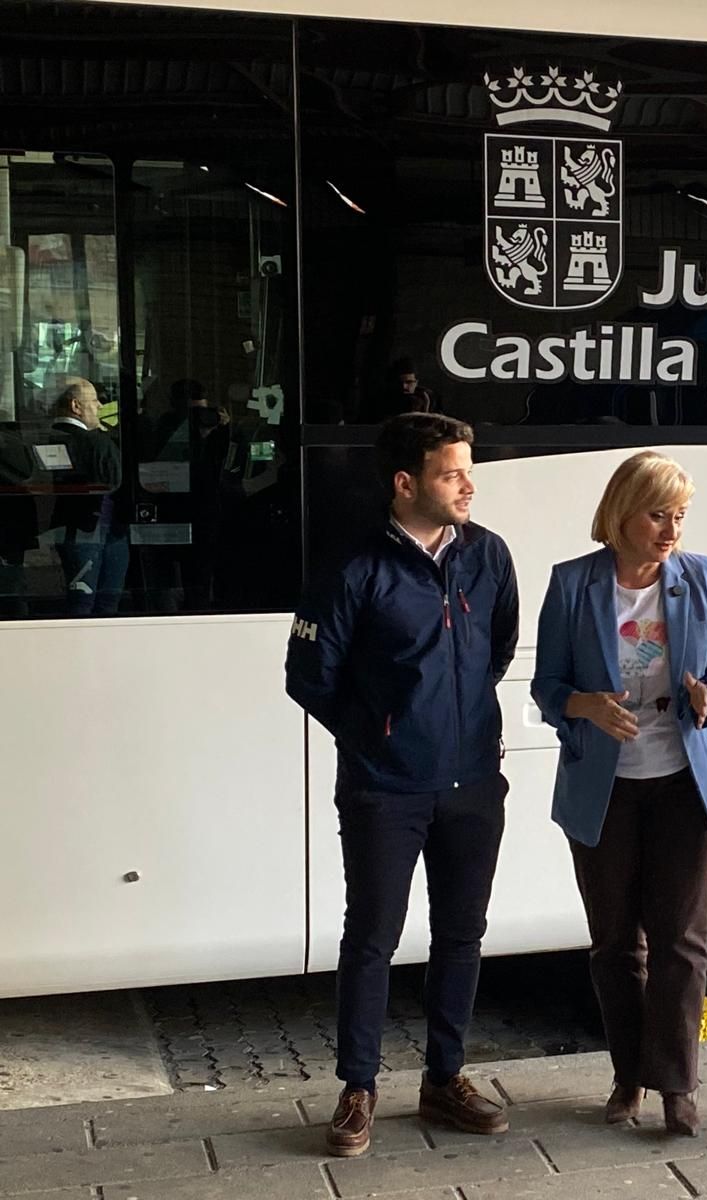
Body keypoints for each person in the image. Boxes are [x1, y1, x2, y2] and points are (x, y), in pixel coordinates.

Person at [284, 412, 520, 1157]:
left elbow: (498, 647)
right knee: (372, 938)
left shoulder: (489, 556)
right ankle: (358, 1087)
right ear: (405, 481)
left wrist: (462, 729)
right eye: (452, 473)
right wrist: (381, 738)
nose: (467, 485)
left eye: (467, 470)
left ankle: (446, 1079)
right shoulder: (354, 566)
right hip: (386, 790)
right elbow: (308, 676)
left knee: (461, 934)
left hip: (474, 782)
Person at [531, 451, 707, 1138]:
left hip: (687, 782)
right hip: (606, 789)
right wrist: (585, 706)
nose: (671, 530)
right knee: (615, 943)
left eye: (680, 516)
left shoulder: (702, 578)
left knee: (682, 940)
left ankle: (678, 1085)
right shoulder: (572, 585)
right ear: (621, 512)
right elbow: (545, 687)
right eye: (659, 514)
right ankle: (628, 1075)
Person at [45, 377, 127, 616]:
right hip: (92, 528)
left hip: (83, 527)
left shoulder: (50, 435)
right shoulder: (94, 440)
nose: (101, 406)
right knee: (95, 604)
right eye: (94, 400)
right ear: (76, 406)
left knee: (85, 602)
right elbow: (113, 477)